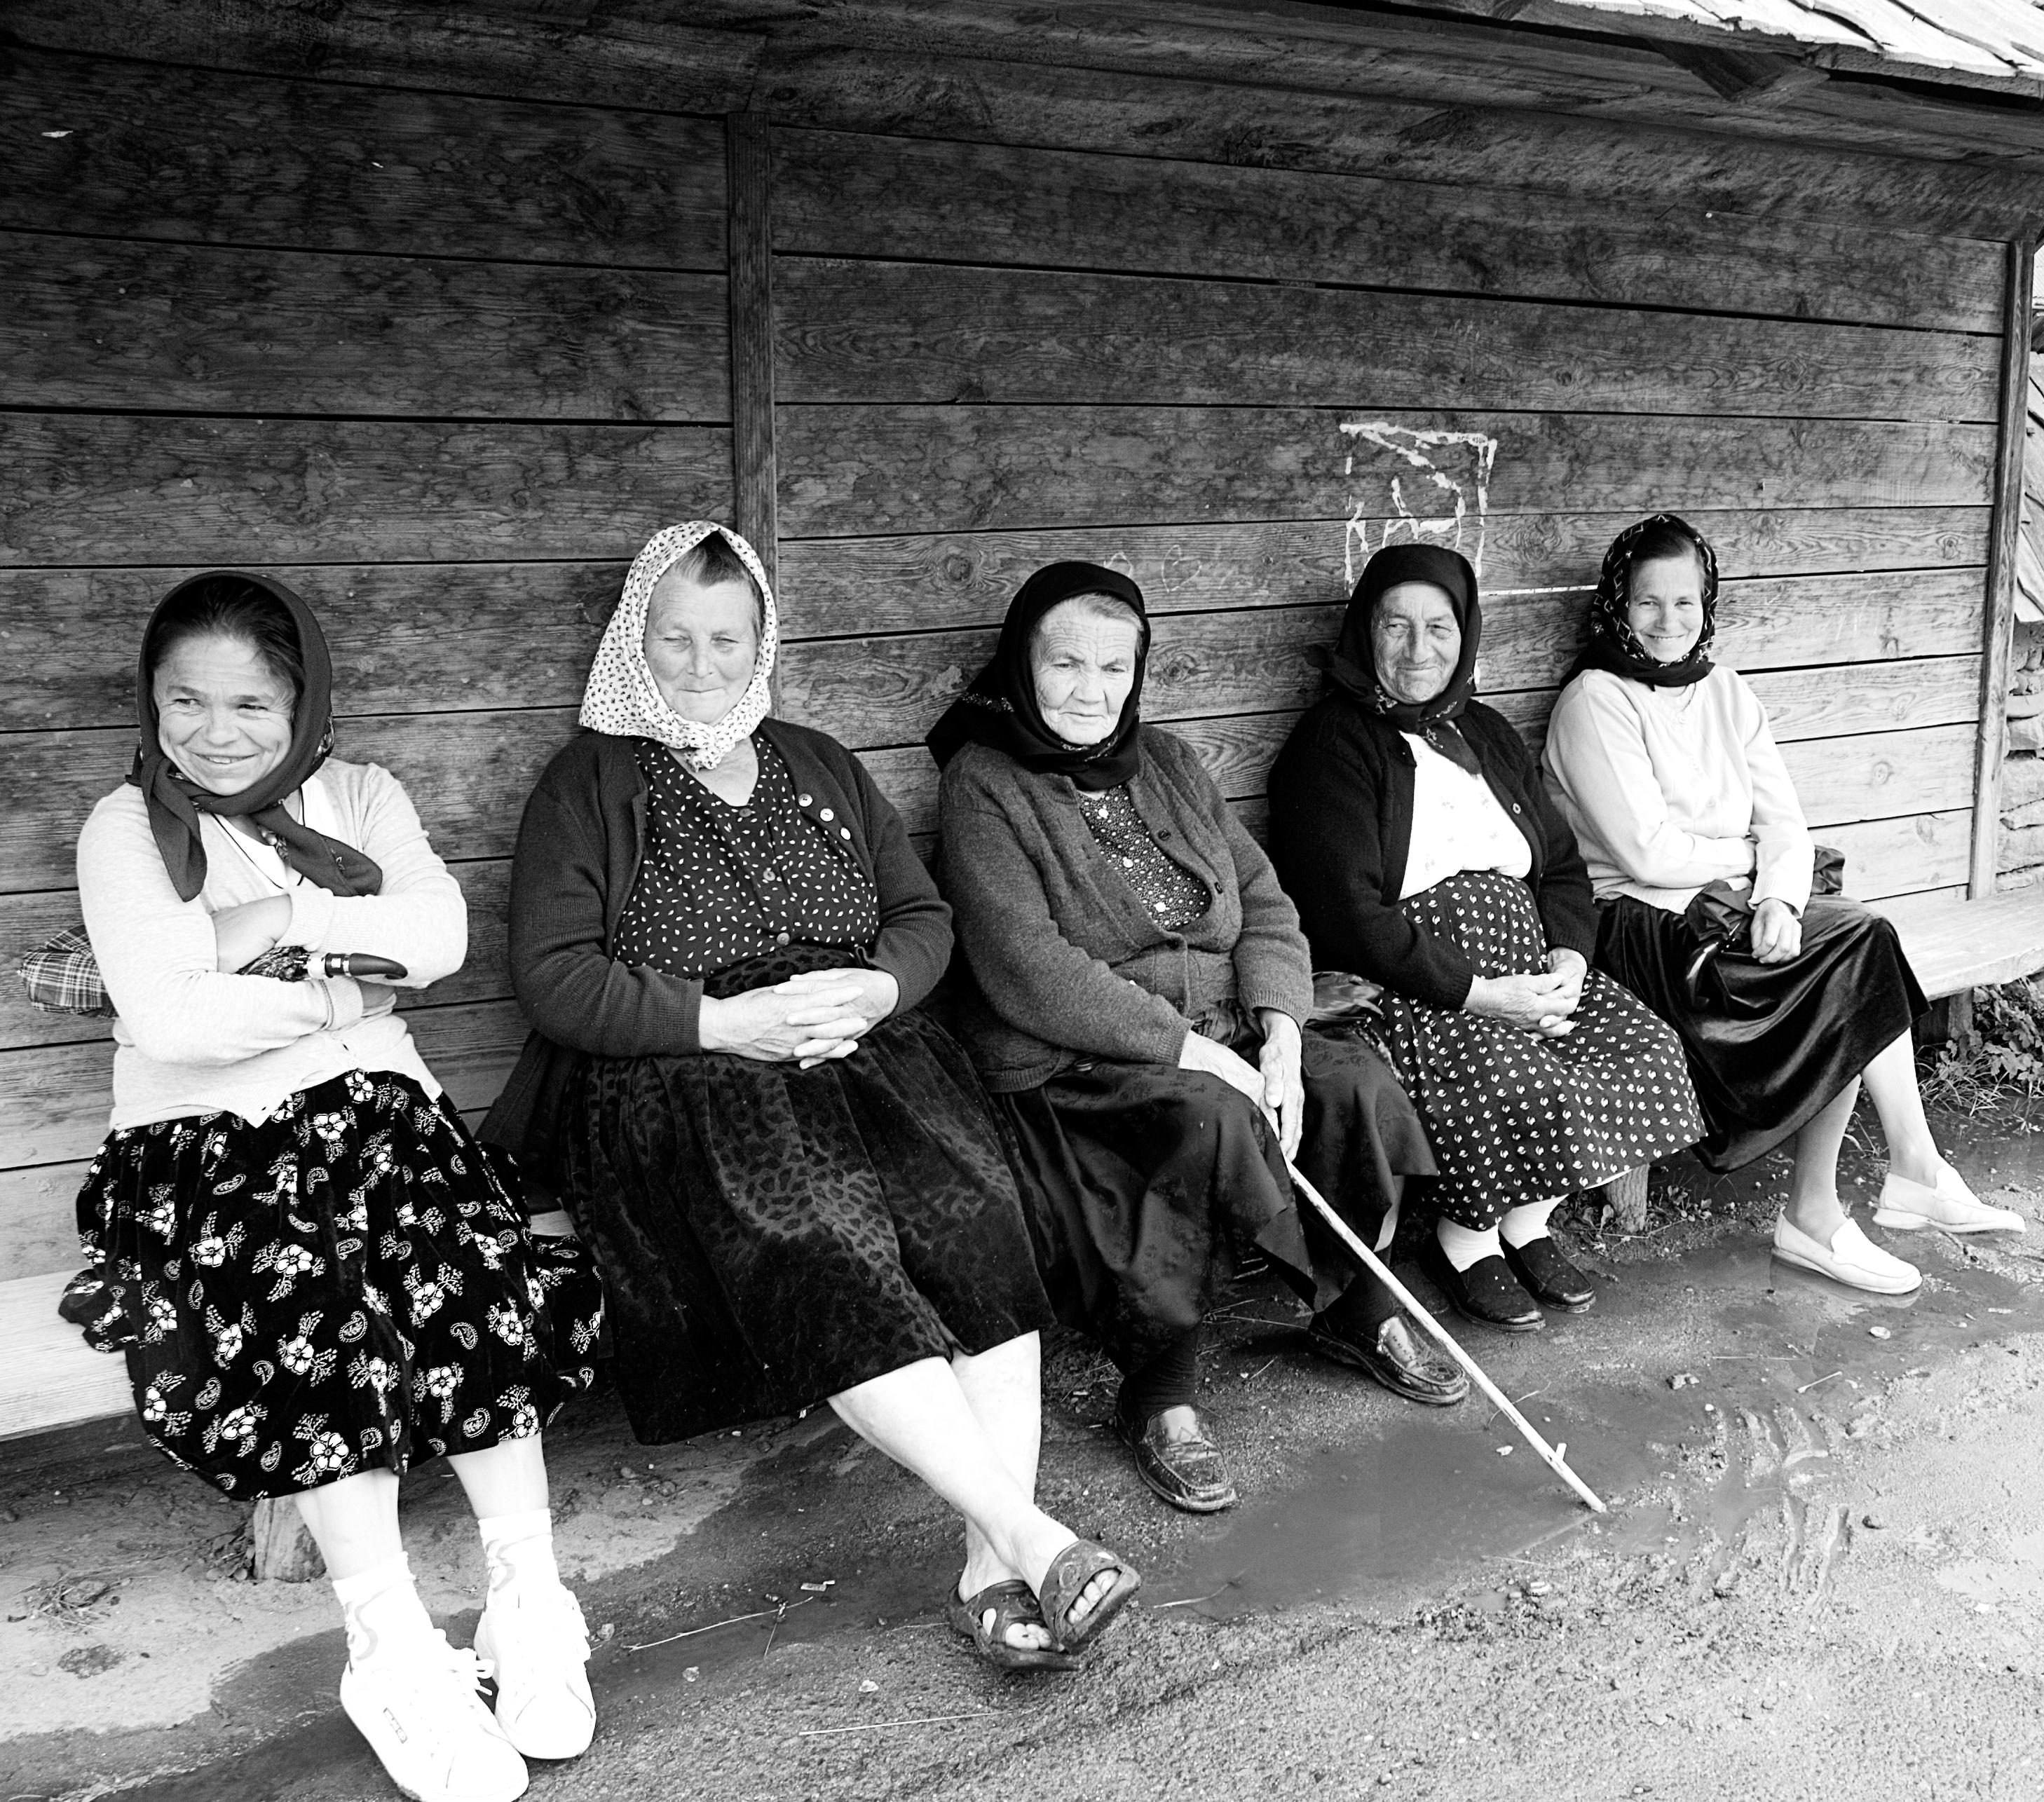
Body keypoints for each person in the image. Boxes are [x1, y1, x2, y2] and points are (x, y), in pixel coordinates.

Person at [483, 521, 1133, 1677]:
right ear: (635, 636)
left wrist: (880, 988)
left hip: (867, 1059)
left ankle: (995, 1562)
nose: (700, 664)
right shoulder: (586, 783)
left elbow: (925, 919)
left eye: (726, 639)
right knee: (819, 1243)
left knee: (983, 1217)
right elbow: (554, 976)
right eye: (674, 637)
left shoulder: (819, 759)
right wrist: (722, 1020)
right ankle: (1037, 1537)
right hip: (685, 1079)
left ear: (760, 640)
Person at [71, 573, 604, 1802]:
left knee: (468, 1270)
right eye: (184, 701)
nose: (216, 731)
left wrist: (261, 920)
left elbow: (439, 932)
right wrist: (340, 984)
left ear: (302, 700)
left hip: (370, 1107)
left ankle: (528, 1596)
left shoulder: (361, 794)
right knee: (307, 1298)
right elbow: (169, 1017)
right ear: (149, 705)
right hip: (198, 1141)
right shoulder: (123, 825)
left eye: (251, 702)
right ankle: (391, 1646)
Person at [933, 562, 1460, 1518]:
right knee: (1208, 1118)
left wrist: (1283, 1032)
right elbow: (1027, 968)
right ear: (1023, 663)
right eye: (1066, 664)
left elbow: (1263, 902)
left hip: (1222, 1028)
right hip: (1084, 1056)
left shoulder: (1169, 762)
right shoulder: (985, 784)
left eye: (1114, 668)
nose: (1092, 690)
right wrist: (1202, 1053)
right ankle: (1160, 1385)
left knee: (1355, 1082)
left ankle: (1354, 1305)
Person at [1542, 513, 2026, 1297]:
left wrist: (1777, 899)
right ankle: (1853, 1198)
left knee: (1851, 943)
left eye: (1686, 604)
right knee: (1849, 950)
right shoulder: (1594, 702)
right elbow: (1647, 853)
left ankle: (1887, 1181)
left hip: (1724, 910)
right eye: (1647, 604)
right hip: (1639, 927)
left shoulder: (1728, 695)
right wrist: (1756, 862)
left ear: (1709, 608)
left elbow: (1787, 824)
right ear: (1616, 608)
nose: (1669, 623)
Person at [1265, 543, 1707, 1333]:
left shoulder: (1488, 734)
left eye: (1438, 627)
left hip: (1525, 968)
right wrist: (1479, 995)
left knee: (1644, 1049)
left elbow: (1563, 867)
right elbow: (1346, 915)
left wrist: (1569, 957)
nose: (1417, 650)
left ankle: (1527, 1222)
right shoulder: (1332, 745)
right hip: (1414, 984)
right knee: (1515, 1077)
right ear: (1364, 632)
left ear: (1465, 632)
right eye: (1394, 627)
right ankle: (1466, 1239)